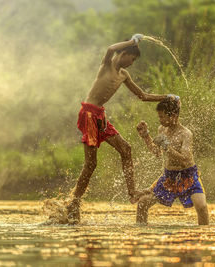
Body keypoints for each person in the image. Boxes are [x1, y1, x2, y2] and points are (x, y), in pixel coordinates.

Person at [66, 34, 171, 224]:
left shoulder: (124, 74)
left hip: (100, 116)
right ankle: (73, 204)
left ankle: (132, 192)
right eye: (131, 59)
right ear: (124, 53)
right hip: (89, 114)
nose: (131, 63)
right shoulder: (108, 65)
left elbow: (142, 95)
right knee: (91, 165)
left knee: (126, 149)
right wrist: (133, 41)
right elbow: (109, 49)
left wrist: (167, 97)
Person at [135, 97, 209, 225]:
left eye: (162, 117)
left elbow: (185, 159)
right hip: (169, 177)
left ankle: (204, 234)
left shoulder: (186, 134)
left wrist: (167, 148)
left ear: (173, 115)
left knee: (201, 207)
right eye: (159, 117)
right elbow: (156, 152)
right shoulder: (162, 130)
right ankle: (141, 231)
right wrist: (146, 136)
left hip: (188, 176)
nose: (160, 120)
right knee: (142, 203)